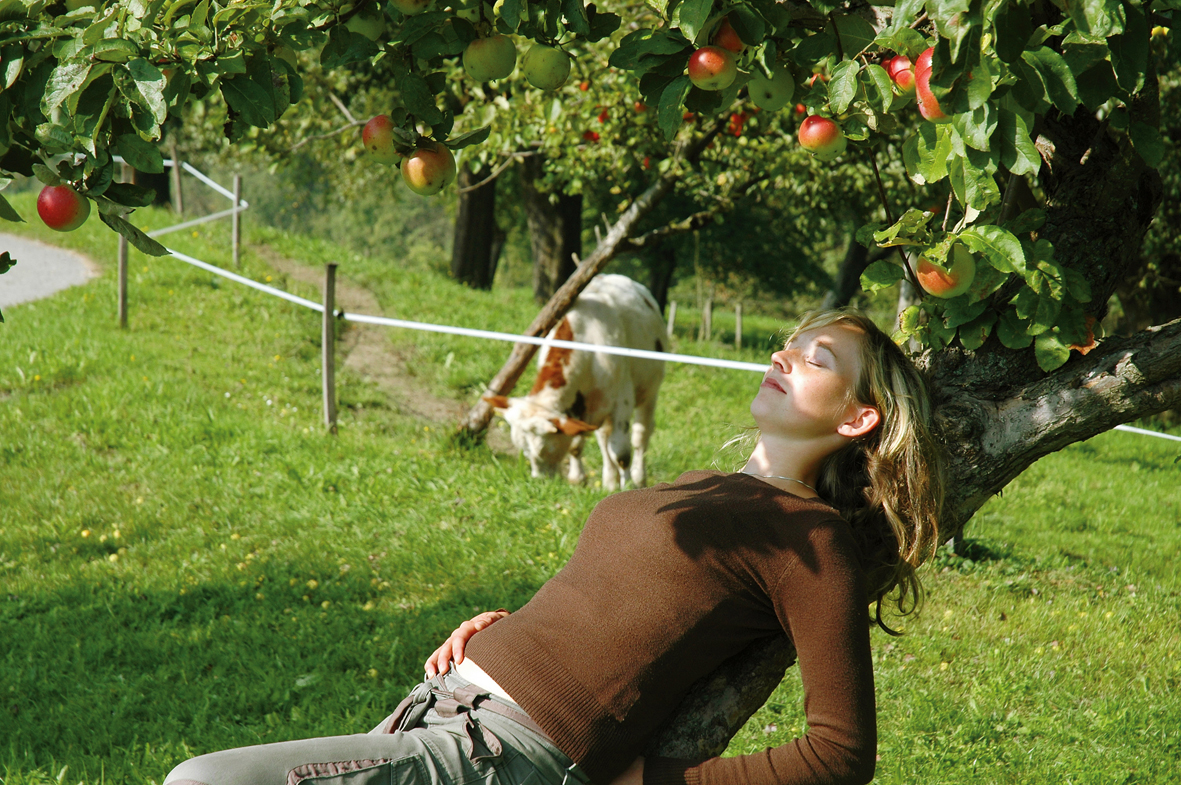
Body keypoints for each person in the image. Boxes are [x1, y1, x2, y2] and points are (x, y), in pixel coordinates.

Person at [165, 307, 945, 785]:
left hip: (504, 751)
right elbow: (622, 603)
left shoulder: (809, 540)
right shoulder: (698, 486)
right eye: (789, 344)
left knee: (201, 780)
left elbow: (840, 753)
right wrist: (504, 629)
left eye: (814, 359)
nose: (782, 356)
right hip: (439, 706)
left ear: (856, 418)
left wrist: (654, 783)